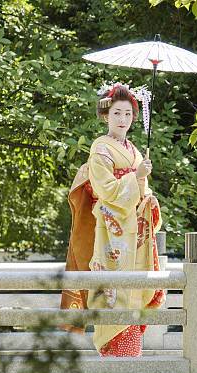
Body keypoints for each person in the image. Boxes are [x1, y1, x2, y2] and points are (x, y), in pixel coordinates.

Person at [59, 83, 166, 357]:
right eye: (117, 113)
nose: (122, 120)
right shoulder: (100, 147)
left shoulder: (134, 150)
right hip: (111, 227)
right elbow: (106, 189)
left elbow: (142, 191)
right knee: (112, 292)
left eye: (128, 114)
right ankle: (113, 360)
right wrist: (136, 175)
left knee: (134, 291)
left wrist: (148, 197)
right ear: (106, 116)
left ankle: (130, 364)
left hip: (135, 230)